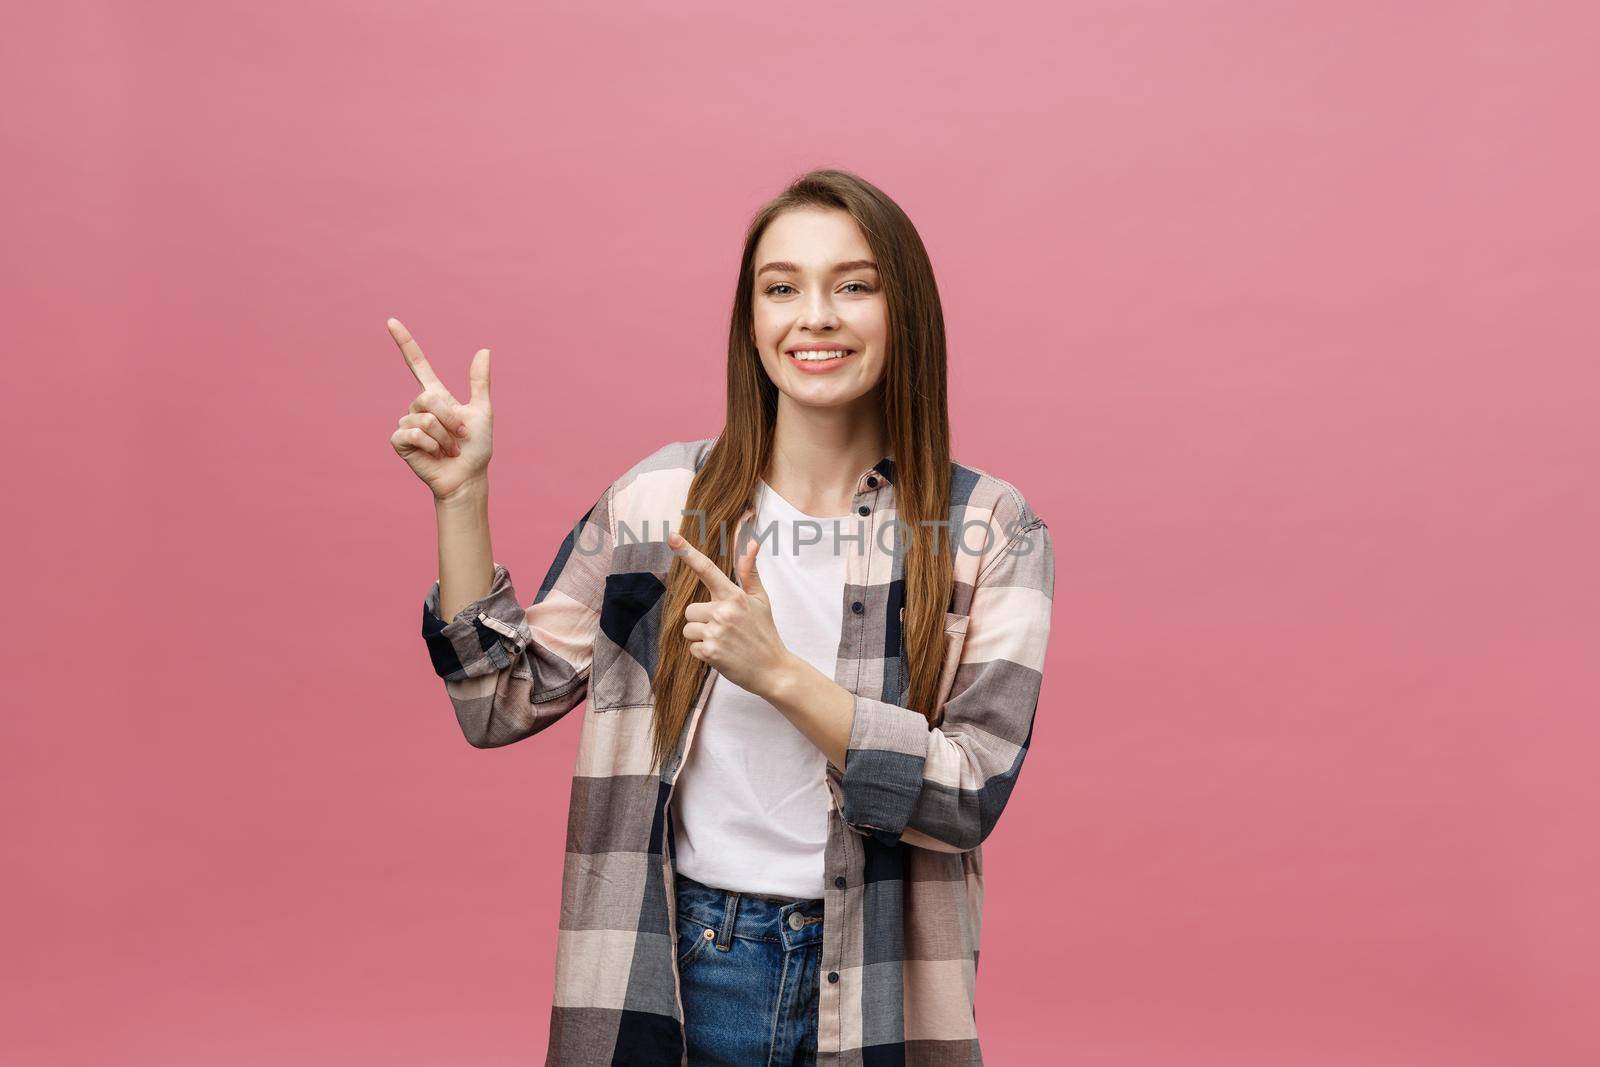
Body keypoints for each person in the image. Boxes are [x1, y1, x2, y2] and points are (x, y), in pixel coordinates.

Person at [390, 168, 1056, 1066]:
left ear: (907, 315)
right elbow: (499, 700)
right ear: (752, 322)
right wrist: (461, 499)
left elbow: (970, 792)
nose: (813, 315)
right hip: (677, 964)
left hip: (875, 978)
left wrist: (777, 673)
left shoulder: (988, 529)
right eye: (781, 288)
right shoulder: (662, 502)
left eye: (853, 285)